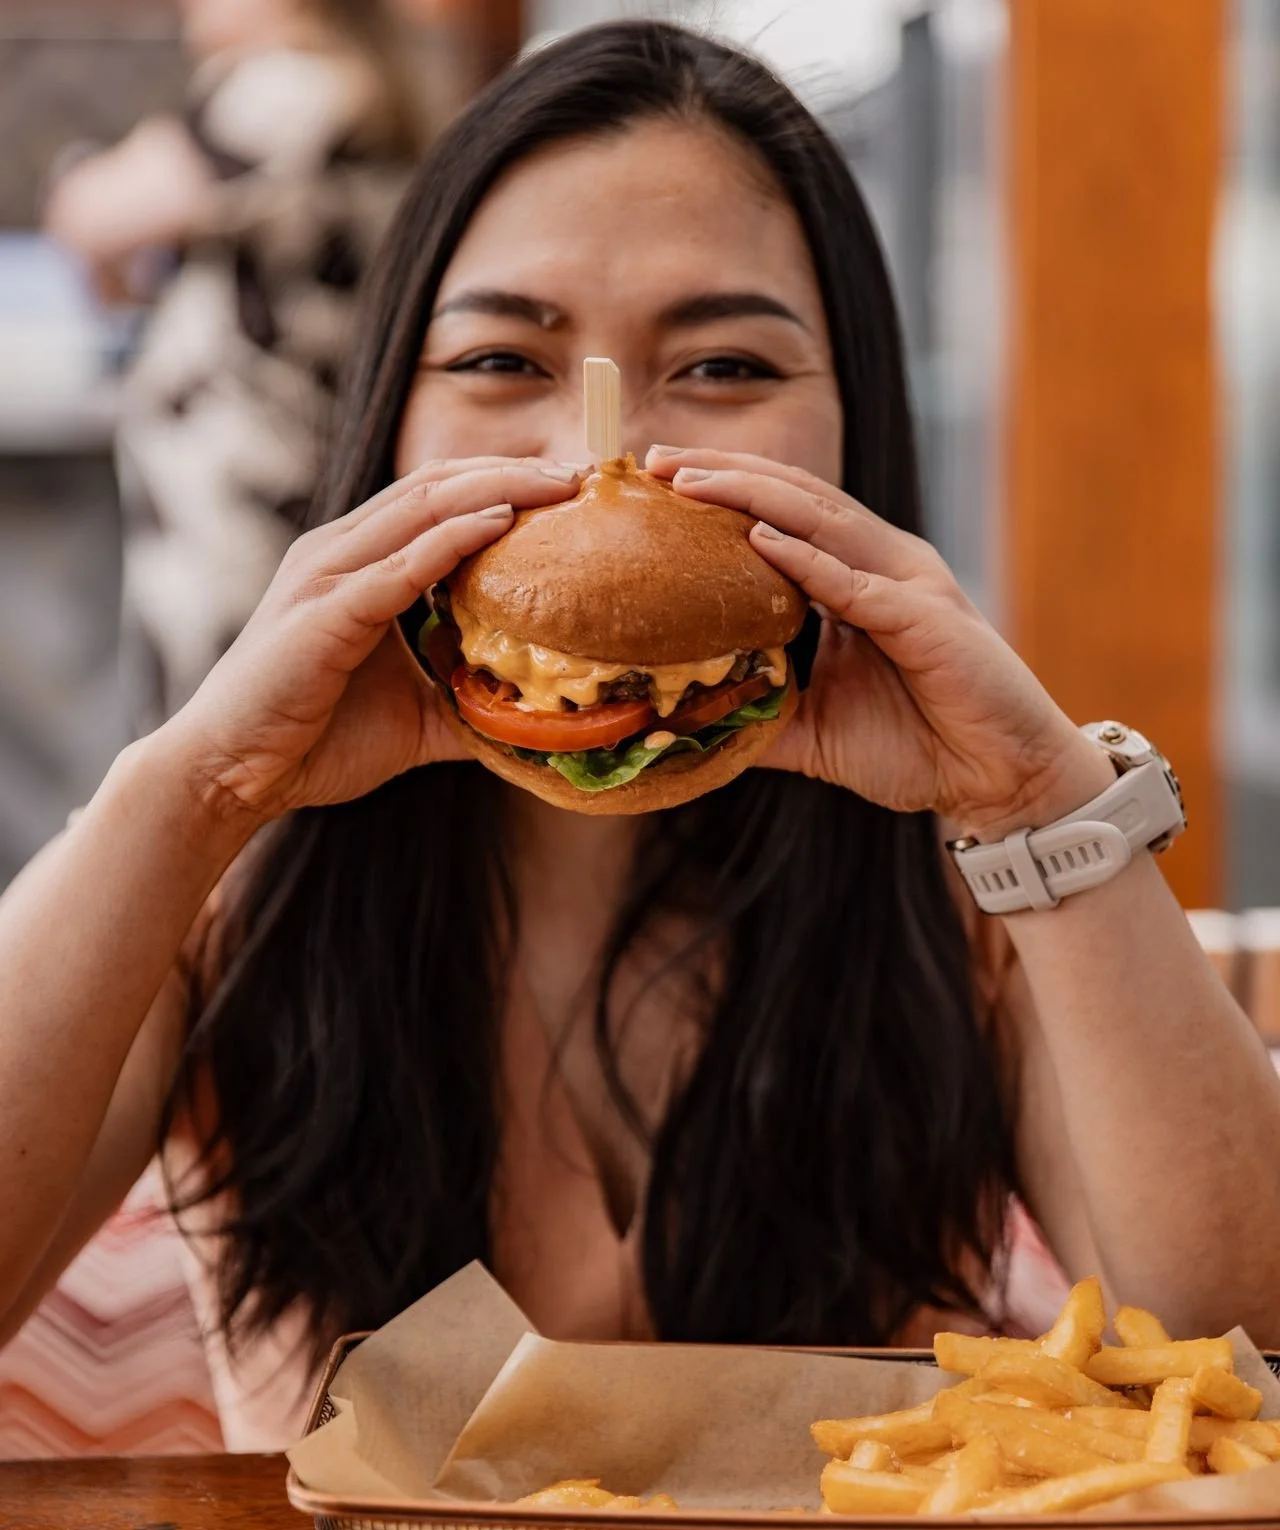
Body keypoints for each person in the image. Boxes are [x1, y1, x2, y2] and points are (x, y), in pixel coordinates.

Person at [4, 21, 1279, 1453]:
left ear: (856, 427)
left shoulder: (970, 898)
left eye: (730, 368)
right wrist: (194, 787)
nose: (595, 465)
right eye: (498, 358)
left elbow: (1243, 1345)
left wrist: (1050, 805)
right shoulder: (228, 897)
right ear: (384, 425)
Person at [44, 0, 420, 726]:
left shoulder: (284, 88)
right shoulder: (368, 87)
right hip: (295, 466)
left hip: (247, 492)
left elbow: (94, 214)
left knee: (218, 733)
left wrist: (80, 174)